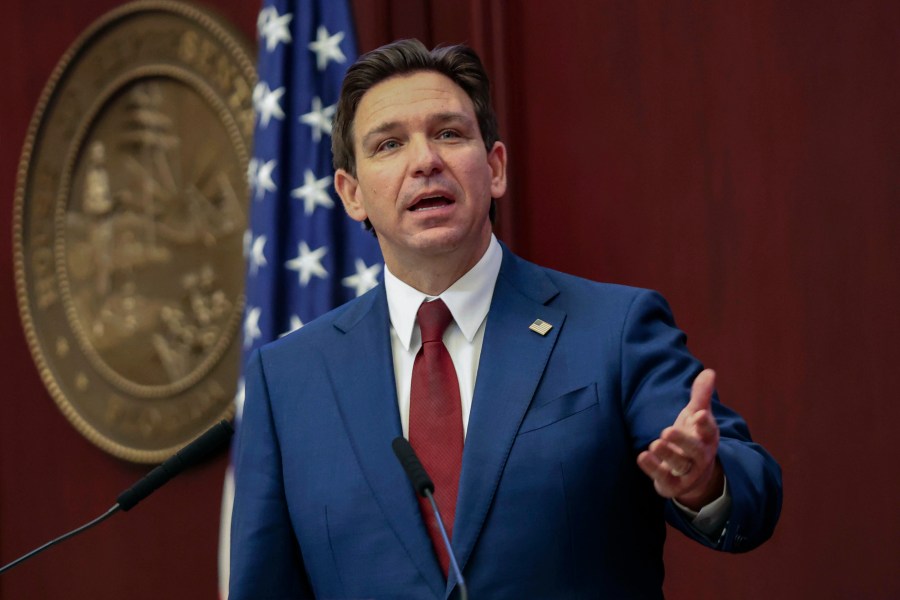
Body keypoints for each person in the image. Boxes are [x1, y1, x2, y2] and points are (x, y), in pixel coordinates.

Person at [229, 39, 782, 600]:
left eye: (449, 133)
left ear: (494, 168)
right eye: (390, 144)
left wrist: (703, 482)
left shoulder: (613, 330)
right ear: (351, 195)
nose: (425, 161)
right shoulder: (288, 379)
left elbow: (751, 487)